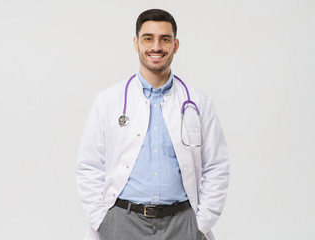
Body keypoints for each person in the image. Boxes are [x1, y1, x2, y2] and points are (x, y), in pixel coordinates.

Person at [76, 9, 229, 240]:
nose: (156, 47)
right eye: (148, 38)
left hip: (182, 224)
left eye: (164, 39)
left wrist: (201, 223)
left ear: (175, 45)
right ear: (136, 44)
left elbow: (217, 165)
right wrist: (102, 221)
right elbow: (89, 165)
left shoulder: (199, 102)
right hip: (122, 223)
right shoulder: (108, 101)